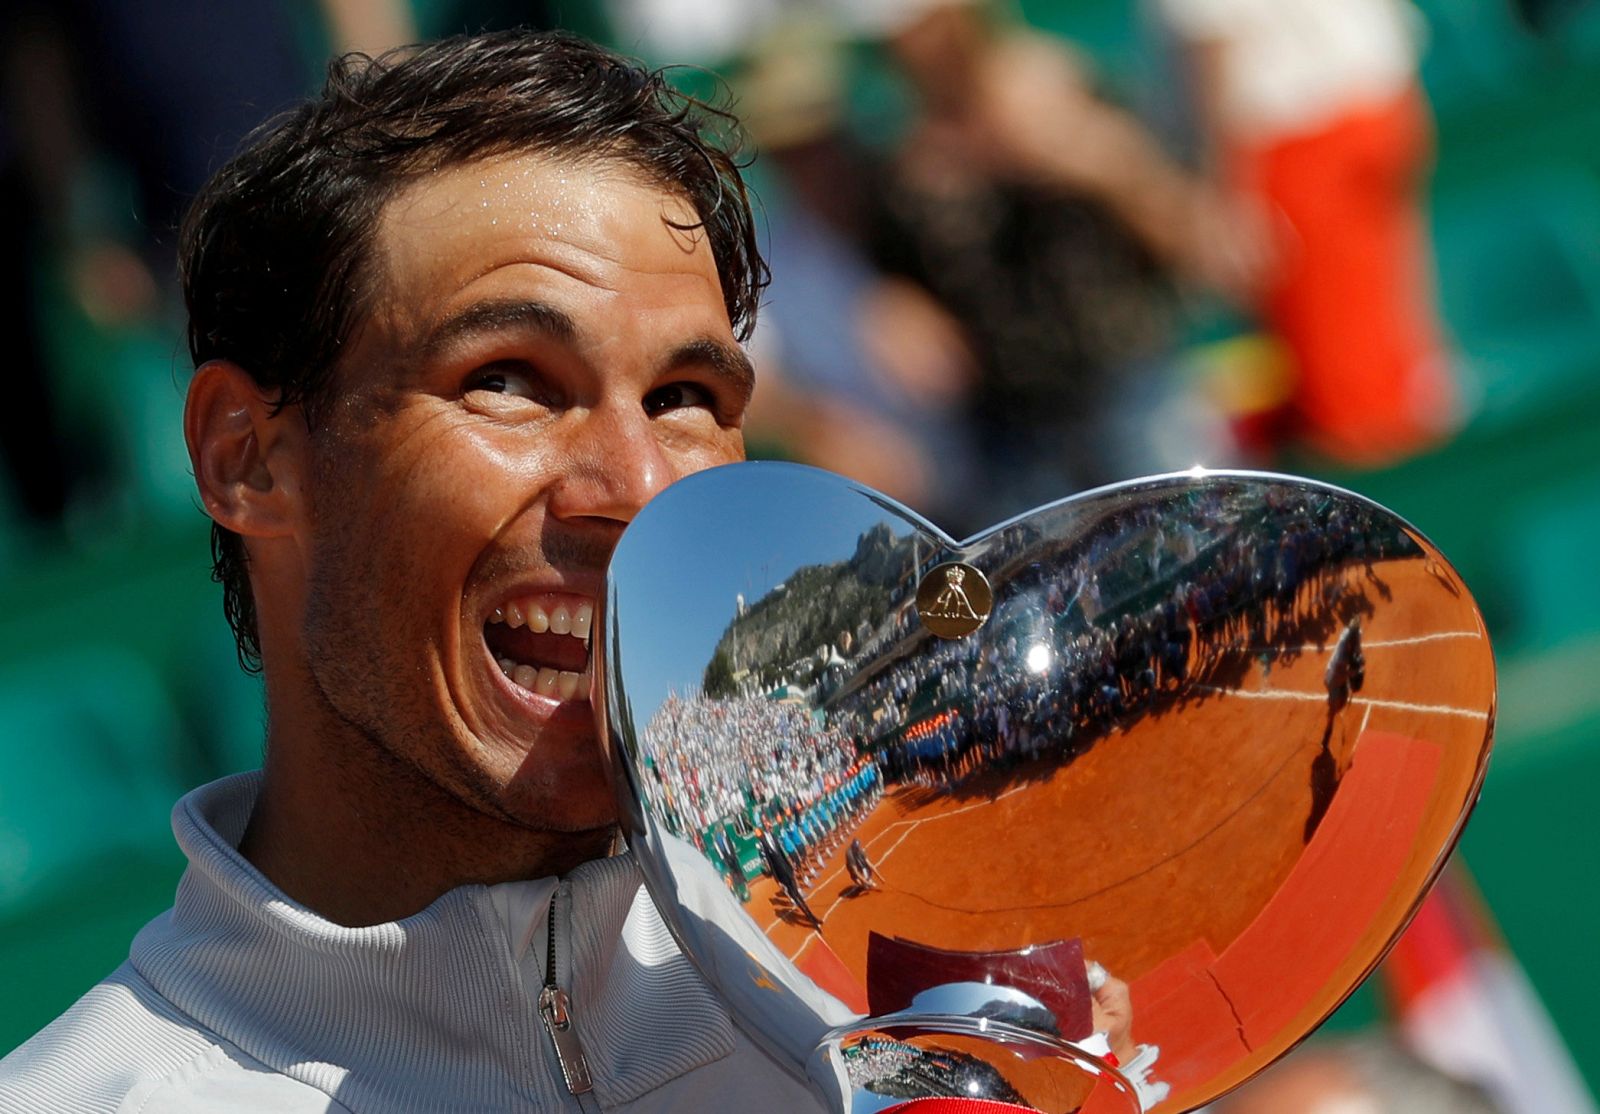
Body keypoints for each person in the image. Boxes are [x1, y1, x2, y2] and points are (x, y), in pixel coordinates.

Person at [0, 30, 825, 1112]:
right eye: (509, 379)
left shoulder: (916, 1000)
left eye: (684, 399)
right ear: (244, 457)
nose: (636, 489)